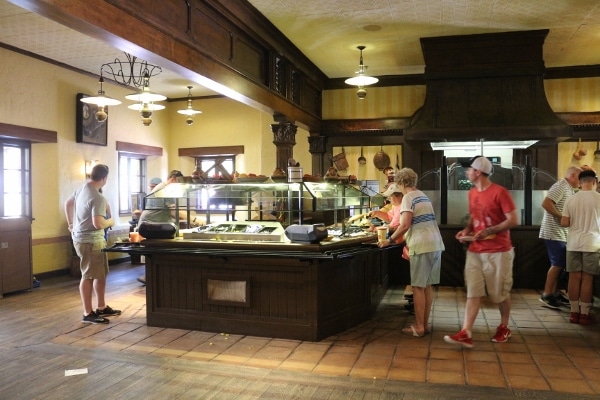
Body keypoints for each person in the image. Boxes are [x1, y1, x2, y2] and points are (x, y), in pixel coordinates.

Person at [444, 156, 518, 348]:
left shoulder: (500, 192)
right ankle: (466, 332)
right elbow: (473, 217)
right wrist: (467, 231)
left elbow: (513, 220)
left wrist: (490, 231)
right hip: (475, 249)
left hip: (499, 251)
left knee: (499, 294)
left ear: (478, 172)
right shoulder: (472, 193)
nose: (467, 172)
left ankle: (504, 326)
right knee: (473, 291)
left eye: (469, 169)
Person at [378, 168, 445, 337]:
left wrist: (389, 241)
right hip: (435, 244)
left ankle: (419, 327)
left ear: (400, 183)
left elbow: (405, 224)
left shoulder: (408, 197)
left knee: (417, 287)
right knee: (427, 286)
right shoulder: (422, 195)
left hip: (421, 245)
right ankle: (425, 324)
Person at [64, 164, 120, 324]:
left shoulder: (82, 189)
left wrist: (71, 225)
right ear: (104, 178)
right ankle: (87, 313)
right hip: (90, 241)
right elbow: (98, 223)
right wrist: (111, 220)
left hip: (86, 239)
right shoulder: (98, 197)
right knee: (88, 275)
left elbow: (68, 203)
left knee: (100, 273)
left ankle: (101, 307)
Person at [561, 168, 600, 325]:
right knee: (587, 278)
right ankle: (584, 314)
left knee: (574, 277)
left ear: (580, 182)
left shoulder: (571, 199)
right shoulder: (599, 198)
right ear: (594, 181)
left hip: (573, 243)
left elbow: (564, 222)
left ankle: (573, 312)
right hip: (593, 243)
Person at [538, 166, 581, 309]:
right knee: (557, 263)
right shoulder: (561, 185)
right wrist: (562, 217)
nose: (580, 181)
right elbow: (546, 203)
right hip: (553, 232)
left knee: (560, 263)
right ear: (573, 175)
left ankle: (555, 293)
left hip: (560, 233)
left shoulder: (569, 188)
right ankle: (547, 294)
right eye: (579, 178)